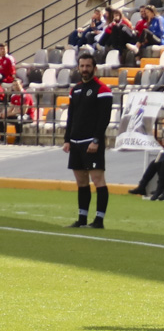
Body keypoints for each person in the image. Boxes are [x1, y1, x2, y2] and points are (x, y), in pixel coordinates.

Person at [62, 54, 113, 229]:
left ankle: (99, 220)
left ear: (94, 68)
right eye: (82, 66)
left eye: (88, 66)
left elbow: (104, 118)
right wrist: (67, 139)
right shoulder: (74, 90)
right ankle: (82, 218)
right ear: (78, 68)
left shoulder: (103, 89)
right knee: (81, 181)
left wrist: (96, 140)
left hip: (91, 142)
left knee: (98, 179)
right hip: (75, 142)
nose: (84, 69)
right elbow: (71, 117)